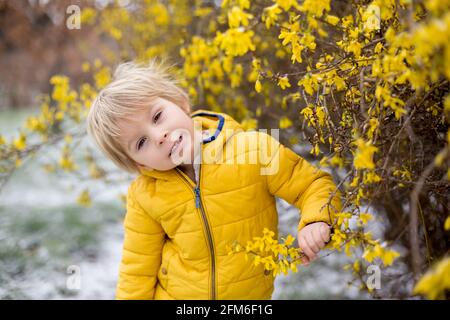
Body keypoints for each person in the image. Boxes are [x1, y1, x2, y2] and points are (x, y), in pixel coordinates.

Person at [86, 58, 342, 300]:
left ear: (181, 102)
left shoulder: (253, 150)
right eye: (141, 142)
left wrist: (316, 220)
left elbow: (313, 184)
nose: (159, 136)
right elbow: (137, 270)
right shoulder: (145, 195)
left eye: (157, 117)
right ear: (138, 164)